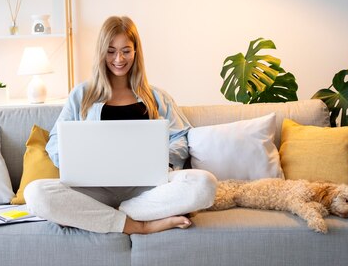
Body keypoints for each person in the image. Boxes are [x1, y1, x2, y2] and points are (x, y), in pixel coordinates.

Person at [24, 16, 217, 234]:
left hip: (147, 189)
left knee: (204, 184)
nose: (119, 58)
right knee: (35, 193)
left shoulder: (156, 96)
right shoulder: (82, 95)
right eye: (111, 51)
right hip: (94, 189)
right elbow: (56, 141)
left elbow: (180, 137)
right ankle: (139, 225)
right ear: (101, 52)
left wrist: (162, 158)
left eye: (126, 50)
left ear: (136, 52)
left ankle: (103, 215)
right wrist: (73, 161)